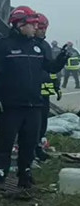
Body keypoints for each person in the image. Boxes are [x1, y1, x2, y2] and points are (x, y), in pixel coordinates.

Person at [0, 6, 68, 193]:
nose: (36, 28)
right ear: (20, 24)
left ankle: (25, 177)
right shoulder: (3, 46)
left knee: (29, 144)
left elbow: (50, 67)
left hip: (34, 105)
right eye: (32, 24)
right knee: (5, 143)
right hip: (11, 106)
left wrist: (62, 57)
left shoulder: (37, 46)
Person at [34, 14, 62, 162]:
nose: (43, 31)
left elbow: (51, 69)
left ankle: (38, 148)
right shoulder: (29, 45)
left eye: (45, 28)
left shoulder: (45, 45)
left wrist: (56, 86)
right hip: (30, 93)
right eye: (41, 28)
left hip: (44, 93)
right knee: (31, 124)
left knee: (42, 122)